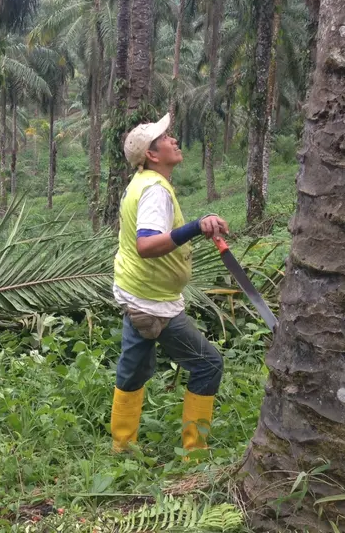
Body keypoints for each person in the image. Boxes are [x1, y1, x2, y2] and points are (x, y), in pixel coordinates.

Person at [110, 112, 228, 455]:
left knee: (134, 367)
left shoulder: (141, 183)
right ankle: (194, 453)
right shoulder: (154, 191)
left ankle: (122, 447)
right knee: (208, 364)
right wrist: (195, 226)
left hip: (136, 292)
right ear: (152, 154)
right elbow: (146, 245)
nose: (174, 140)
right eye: (166, 138)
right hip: (153, 302)